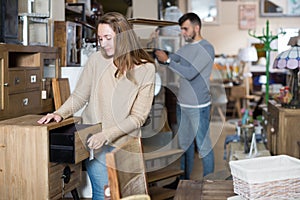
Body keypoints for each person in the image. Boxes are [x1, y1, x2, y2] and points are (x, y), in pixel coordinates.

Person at [38, 12, 156, 200]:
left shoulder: (146, 69)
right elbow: (79, 96)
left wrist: (106, 135)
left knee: (125, 196)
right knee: (103, 194)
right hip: (95, 142)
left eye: (108, 38)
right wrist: (59, 113)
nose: (103, 43)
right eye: (100, 38)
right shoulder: (96, 60)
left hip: (125, 145)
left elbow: (138, 117)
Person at [155, 12, 215, 181]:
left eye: (186, 29)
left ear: (197, 28)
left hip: (199, 107)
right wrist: (160, 54)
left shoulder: (207, 48)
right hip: (183, 105)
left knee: (204, 147)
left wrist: (167, 61)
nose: (183, 33)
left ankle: (209, 182)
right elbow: (174, 58)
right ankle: (183, 182)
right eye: (182, 29)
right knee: (184, 147)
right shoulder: (186, 47)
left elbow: (190, 73)